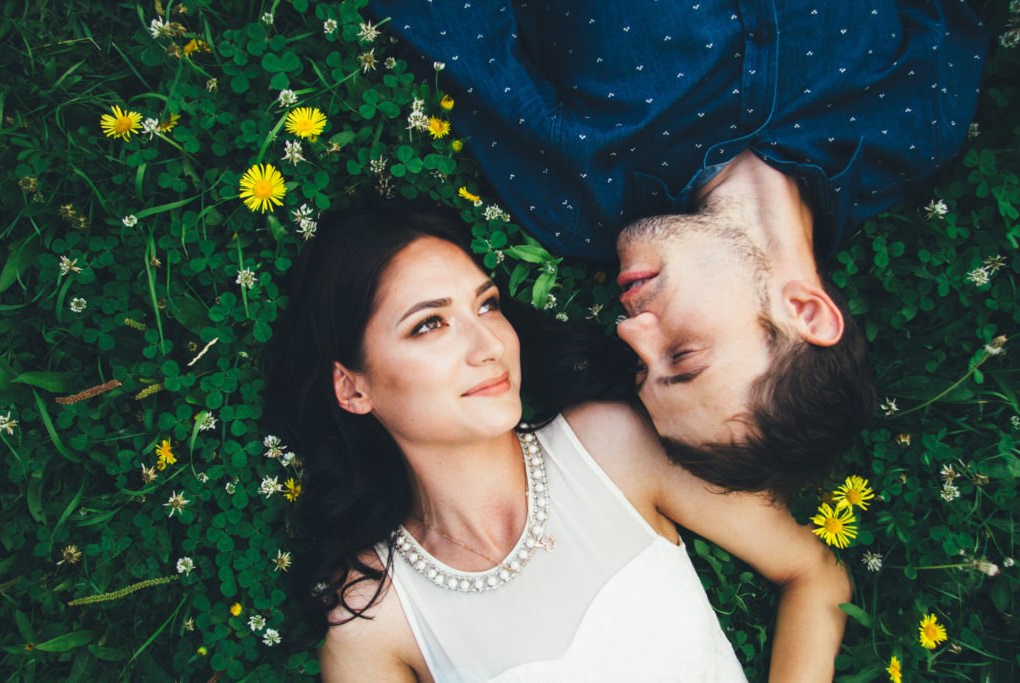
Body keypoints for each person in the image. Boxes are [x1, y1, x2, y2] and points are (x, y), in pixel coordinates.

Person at [366, 0, 988, 493]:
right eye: (683, 357)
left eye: (643, 369)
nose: (633, 333)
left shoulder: (582, 192)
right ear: (805, 311)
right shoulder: (916, 124)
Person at [265, 203, 851, 682]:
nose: (488, 344)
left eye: (486, 305)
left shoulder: (612, 445)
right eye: (429, 324)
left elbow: (815, 572)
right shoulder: (374, 617)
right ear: (353, 387)